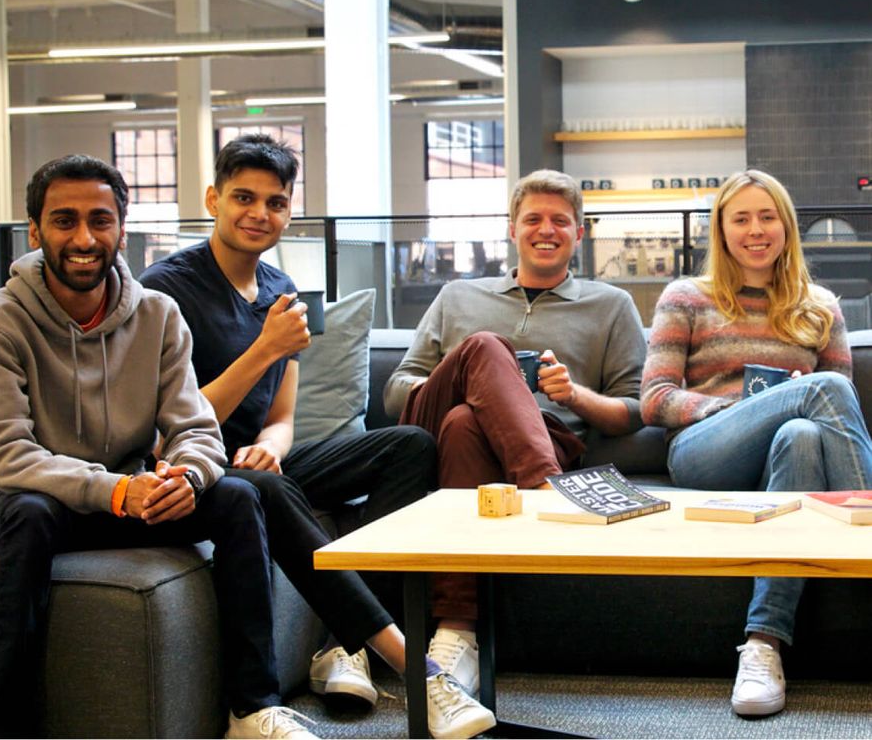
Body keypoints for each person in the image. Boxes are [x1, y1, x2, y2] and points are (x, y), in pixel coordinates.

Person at [0, 155, 493, 740]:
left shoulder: (157, 313)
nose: (85, 238)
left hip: (145, 487)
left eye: (101, 220)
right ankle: (4, 730)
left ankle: (252, 708)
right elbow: (5, 456)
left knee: (242, 496)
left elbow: (195, 426)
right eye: (64, 221)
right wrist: (121, 489)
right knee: (29, 513)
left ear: (122, 227)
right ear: (34, 230)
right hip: (36, 500)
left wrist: (192, 474)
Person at [139, 135, 438, 708]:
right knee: (262, 486)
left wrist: (273, 446)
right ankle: (397, 655)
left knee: (410, 446)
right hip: (195, 468)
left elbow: (281, 416)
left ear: (289, 211)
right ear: (213, 199)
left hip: (262, 463)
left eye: (275, 202)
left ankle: (341, 647)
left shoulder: (282, 289)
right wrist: (265, 348)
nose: (260, 214)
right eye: (243, 198)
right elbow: (163, 432)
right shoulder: (164, 290)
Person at [384, 168, 646, 697]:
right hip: (435, 430)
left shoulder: (611, 304)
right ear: (512, 229)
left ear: (579, 233)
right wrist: (466, 373)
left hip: (548, 434)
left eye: (560, 221)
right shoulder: (458, 294)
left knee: (465, 423)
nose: (546, 230)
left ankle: (457, 632)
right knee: (483, 349)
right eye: (533, 219)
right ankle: (546, 490)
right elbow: (396, 390)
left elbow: (635, 411)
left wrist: (573, 395)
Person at [640, 168, 872, 718]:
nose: (755, 230)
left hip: (786, 461)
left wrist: (786, 406)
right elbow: (654, 398)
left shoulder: (820, 304)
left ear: (786, 226)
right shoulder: (685, 297)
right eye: (740, 218)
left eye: (767, 217)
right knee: (821, 392)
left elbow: (837, 416)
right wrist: (736, 409)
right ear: (721, 230)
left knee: (802, 432)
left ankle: (763, 645)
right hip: (705, 452)